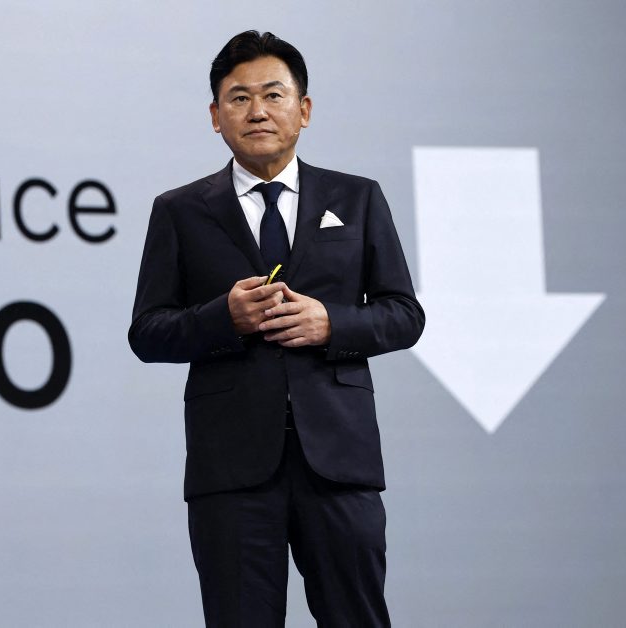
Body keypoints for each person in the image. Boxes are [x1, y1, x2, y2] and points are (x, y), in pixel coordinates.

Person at [128, 30, 424, 627]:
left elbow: (404, 314)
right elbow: (148, 331)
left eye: (272, 95)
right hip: (231, 468)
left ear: (303, 110)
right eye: (238, 98)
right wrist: (224, 318)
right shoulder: (179, 210)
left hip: (339, 461)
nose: (257, 111)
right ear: (215, 116)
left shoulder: (358, 198)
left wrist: (330, 322)